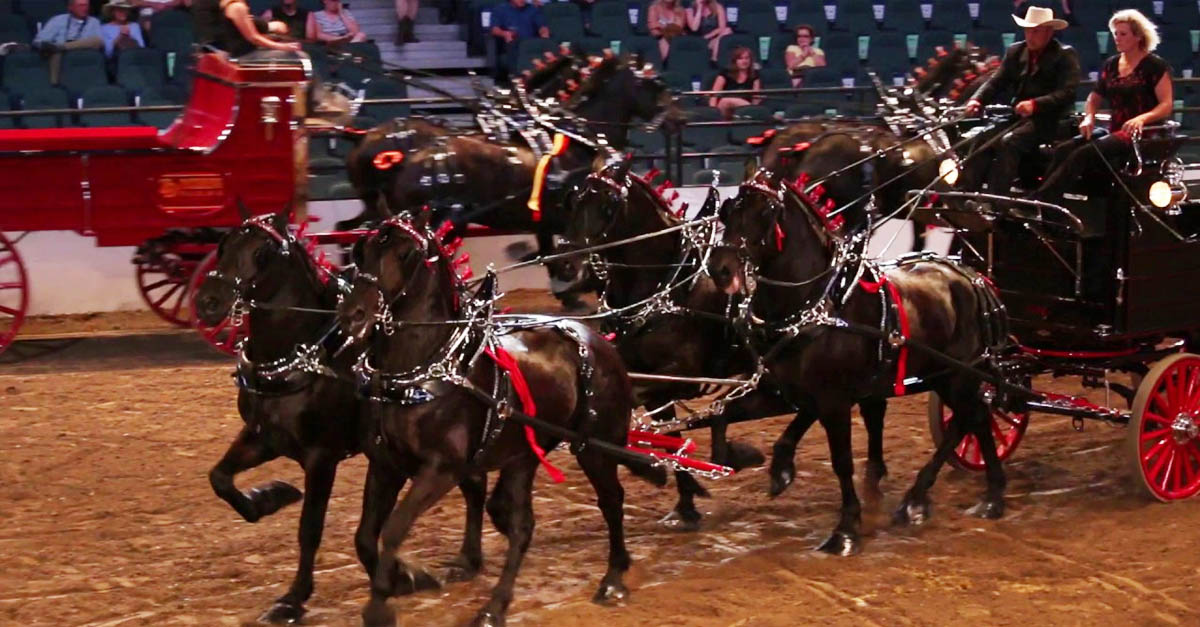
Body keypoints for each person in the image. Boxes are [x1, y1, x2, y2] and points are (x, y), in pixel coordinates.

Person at [1032, 9, 1173, 201]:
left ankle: (1042, 200)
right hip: (1115, 129)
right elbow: (1094, 97)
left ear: (1138, 36)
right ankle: (1046, 199)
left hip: (1141, 132)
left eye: (1123, 34)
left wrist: (1141, 119)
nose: (1117, 38)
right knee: (1064, 149)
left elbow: (1166, 104)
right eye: (1115, 34)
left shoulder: (1154, 66)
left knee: (1083, 154)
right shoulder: (1111, 64)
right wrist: (1089, 116)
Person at [964, 5, 1080, 195]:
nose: (1030, 36)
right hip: (1020, 117)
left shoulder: (1065, 55)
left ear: (1049, 32)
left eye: (1035, 31)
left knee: (1010, 141)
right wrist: (978, 99)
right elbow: (996, 81)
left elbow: (1068, 92)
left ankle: (996, 200)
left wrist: (1035, 104)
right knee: (982, 136)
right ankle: (966, 194)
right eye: (1027, 30)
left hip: (1052, 119)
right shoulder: (1015, 51)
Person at [193, 0, 299, 57]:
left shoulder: (230, 6)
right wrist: (281, 47)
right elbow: (254, 38)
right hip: (243, 54)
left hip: (242, 51)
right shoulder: (236, 7)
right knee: (299, 56)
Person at [33, 0, 104, 84]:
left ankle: (62, 46)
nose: (85, 8)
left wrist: (62, 46)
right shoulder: (58, 20)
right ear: (71, 7)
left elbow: (98, 43)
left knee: (98, 40)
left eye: (86, 5)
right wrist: (46, 45)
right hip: (61, 55)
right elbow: (38, 41)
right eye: (81, 5)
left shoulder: (94, 22)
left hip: (83, 53)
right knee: (55, 50)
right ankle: (54, 84)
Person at [490, 0, 548, 83]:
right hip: (512, 42)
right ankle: (516, 78)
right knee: (513, 45)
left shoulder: (532, 9)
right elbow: (494, 29)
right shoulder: (500, 9)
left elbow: (542, 26)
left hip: (530, 42)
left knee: (545, 43)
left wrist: (544, 32)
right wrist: (504, 33)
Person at [710, 45, 760, 119]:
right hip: (724, 109)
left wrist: (753, 107)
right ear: (735, 61)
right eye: (740, 58)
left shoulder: (754, 76)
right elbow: (714, 95)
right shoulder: (725, 73)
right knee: (726, 101)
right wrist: (712, 112)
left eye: (747, 58)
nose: (744, 61)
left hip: (745, 110)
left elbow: (756, 98)